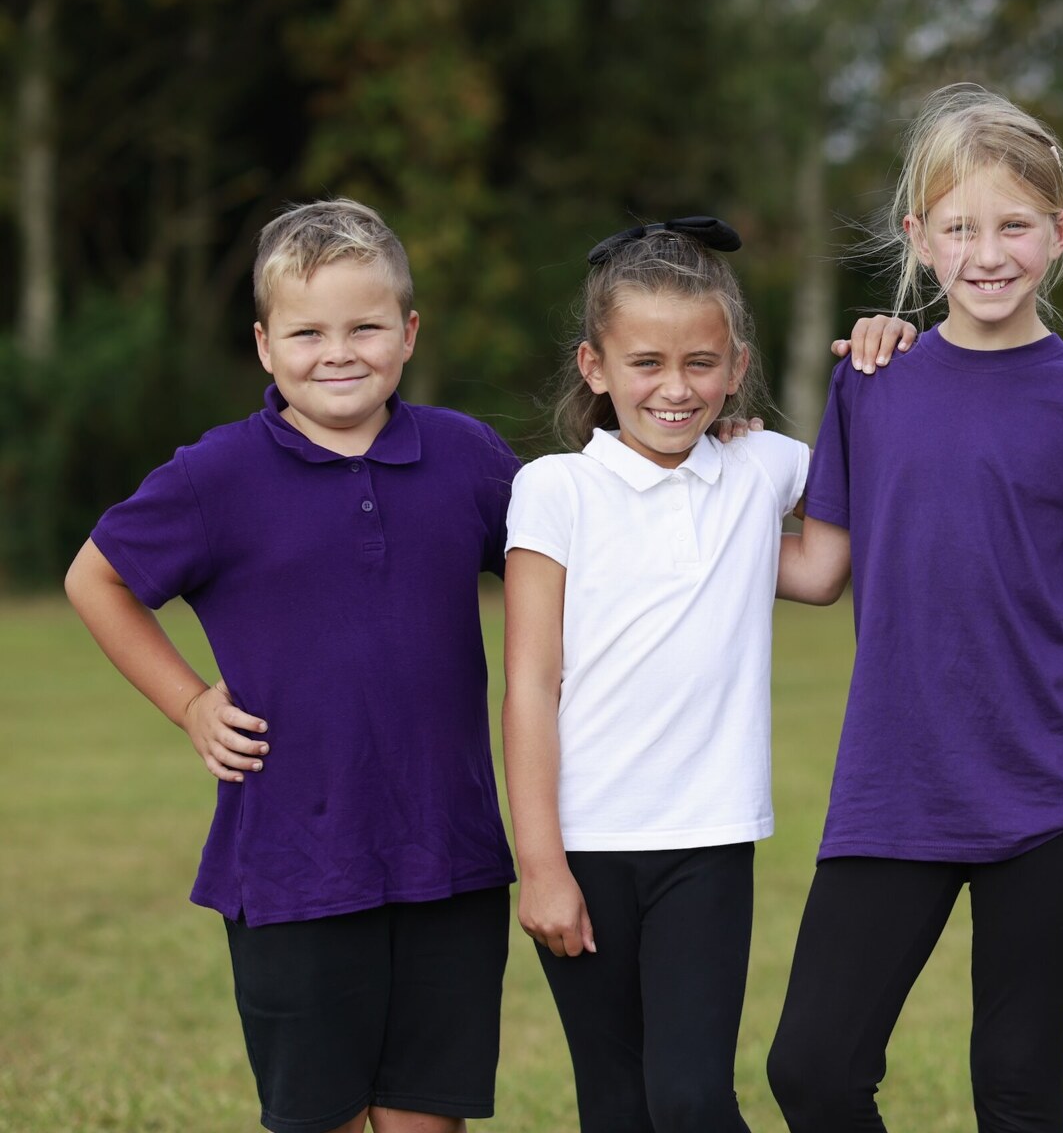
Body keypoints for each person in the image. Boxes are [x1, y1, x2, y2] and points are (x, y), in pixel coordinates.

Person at [65, 198, 518, 1133]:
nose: (338, 351)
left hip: (450, 852)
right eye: (308, 331)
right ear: (266, 345)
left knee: (426, 1118)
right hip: (294, 863)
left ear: (409, 332)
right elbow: (95, 578)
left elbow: (566, 566)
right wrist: (190, 702)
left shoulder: (468, 457)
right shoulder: (216, 475)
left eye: (366, 326)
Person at [763, 82, 1063, 1131]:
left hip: (1051, 792)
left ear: (1059, 233)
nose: (988, 252)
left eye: (1014, 226)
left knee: (1018, 1089)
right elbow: (817, 571)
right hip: (893, 783)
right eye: (959, 228)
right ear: (919, 238)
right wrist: (670, 510)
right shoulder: (870, 380)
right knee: (811, 1067)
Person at [502, 217, 822, 1132]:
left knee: (688, 1100)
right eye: (646, 363)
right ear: (594, 366)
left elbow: (839, 554)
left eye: (700, 364)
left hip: (707, 840)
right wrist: (541, 865)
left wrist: (889, 361)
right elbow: (531, 685)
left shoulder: (760, 467)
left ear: (736, 365)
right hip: (586, 844)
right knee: (614, 1105)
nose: (676, 390)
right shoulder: (555, 490)